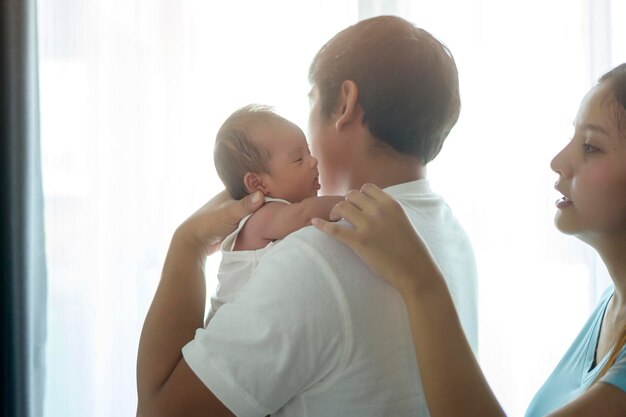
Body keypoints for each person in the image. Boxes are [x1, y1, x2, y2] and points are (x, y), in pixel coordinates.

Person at [136, 15, 478, 416]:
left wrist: (188, 244)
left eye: (312, 99)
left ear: (345, 103)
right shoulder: (453, 237)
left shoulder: (318, 253)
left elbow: (159, 411)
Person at [312, 63, 626, 416]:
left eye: (591, 147)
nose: (558, 162)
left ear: (346, 103)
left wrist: (420, 280)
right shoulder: (611, 307)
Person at [207, 104, 343, 321]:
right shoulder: (262, 215)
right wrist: (351, 200)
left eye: (308, 152)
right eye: (299, 159)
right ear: (257, 183)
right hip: (224, 322)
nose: (313, 161)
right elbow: (305, 215)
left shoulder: (273, 213)